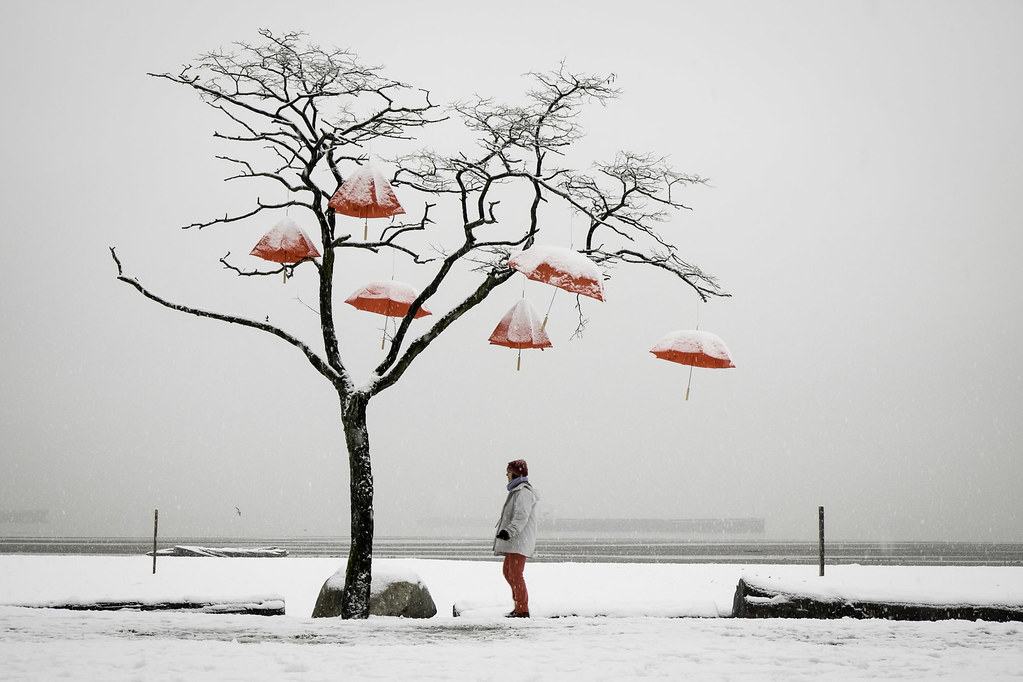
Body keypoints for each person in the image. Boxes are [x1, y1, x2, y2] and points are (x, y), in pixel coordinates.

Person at [493, 459, 539, 618]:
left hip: (520, 540)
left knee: (515, 574)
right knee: (508, 572)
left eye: (508, 471)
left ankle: (522, 610)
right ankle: (518, 606)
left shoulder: (524, 493)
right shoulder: (517, 491)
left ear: (515, 473)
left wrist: (509, 532)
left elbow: (521, 517)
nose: (506, 474)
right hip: (514, 541)